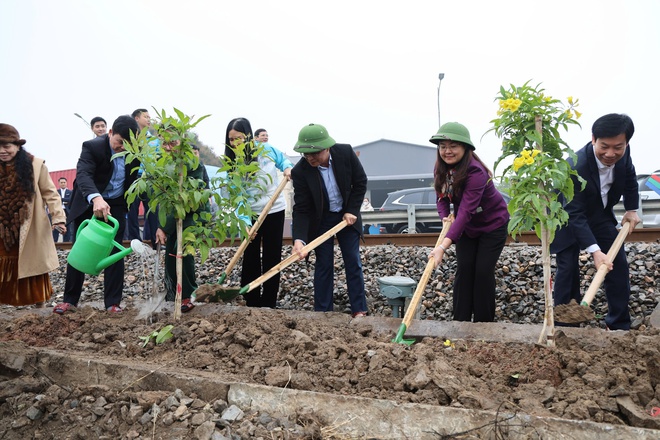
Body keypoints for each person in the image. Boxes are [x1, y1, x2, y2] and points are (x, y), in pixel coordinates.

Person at [551, 113, 640, 330]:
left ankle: (618, 325)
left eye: (617, 147)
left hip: (599, 214)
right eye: (604, 146)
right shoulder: (575, 164)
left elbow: (630, 180)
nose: (610, 153)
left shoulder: (623, 155)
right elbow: (574, 213)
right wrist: (594, 251)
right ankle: (565, 327)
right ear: (593, 139)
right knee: (568, 268)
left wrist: (631, 209)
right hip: (565, 216)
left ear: (625, 144)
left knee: (617, 264)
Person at [53, 115, 139, 314]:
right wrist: (96, 198)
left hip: (116, 204)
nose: (122, 148)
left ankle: (112, 304)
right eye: (119, 143)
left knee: (115, 252)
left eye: (128, 145)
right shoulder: (93, 147)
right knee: (80, 249)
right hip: (89, 202)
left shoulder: (136, 152)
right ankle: (70, 301)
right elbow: (83, 175)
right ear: (110, 133)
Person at [429, 122, 510, 322]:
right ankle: (460, 322)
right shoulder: (441, 168)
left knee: (483, 270)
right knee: (464, 269)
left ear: (466, 148)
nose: (447, 151)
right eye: (442, 147)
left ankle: (484, 324)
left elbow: (465, 211)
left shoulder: (476, 172)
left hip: (492, 224)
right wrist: (444, 218)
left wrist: (443, 246)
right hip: (468, 227)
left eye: (453, 146)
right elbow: (441, 198)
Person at [291, 123, 368, 317]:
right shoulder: (300, 171)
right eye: (306, 154)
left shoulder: (345, 153)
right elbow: (301, 208)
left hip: (346, 216)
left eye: (314, 153)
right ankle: (323, 311)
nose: (310, 158)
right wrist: (299, 239)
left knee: (352, 260)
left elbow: (360, 183)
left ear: (326, 148)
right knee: (323, 263)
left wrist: (351, 210)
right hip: (322, 219)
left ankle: (359, 309)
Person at [224, 118, 292, 308]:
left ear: (247, 136)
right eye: (231, 140)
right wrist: (245, 222)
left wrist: (287, 168)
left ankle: (269, 302)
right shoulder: (232, 162)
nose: (235, 143)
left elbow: (283, 160)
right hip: (250, 214)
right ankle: (251, 300)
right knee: (250, 257)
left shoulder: (266, 150)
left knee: (272, 256)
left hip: (274, 209)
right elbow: (237, 195)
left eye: (238, 139)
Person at [0, 124, 67, 307]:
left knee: (33, 265)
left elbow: (50, 194)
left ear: (17, 146)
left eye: (6, 146)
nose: (2, 151)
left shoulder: (35, 165)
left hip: (28, 226)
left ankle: (39, 304)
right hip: (2, 227)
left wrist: (58, 217)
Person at [155, 137, 210, 313]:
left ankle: (189, 294)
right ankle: (173, 295)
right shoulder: (161, 165)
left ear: (182, 144)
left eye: (173, 143)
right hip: (171, 217)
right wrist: (162, 225)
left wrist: (164, 227)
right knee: (171, 255)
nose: (168, 147)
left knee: (183, 252)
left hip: (192, 215)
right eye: (165, 143)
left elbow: (187, 201)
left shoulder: (193, 164)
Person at [126, 108, 159, 245]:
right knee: (132, 211)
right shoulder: (129, 138)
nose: (149, 119)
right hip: (133, 179)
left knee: (153, 211)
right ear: (137, 119)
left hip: (150, 179)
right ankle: (135, 242)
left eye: (149, 117)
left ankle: (156, 240)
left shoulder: (154, 140)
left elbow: (158, 158)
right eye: (146, 116)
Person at [52, 177, 73, 242]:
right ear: (59, 183)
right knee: (56, 228)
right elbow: (54, 200)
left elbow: (70, 200)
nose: (63, 184)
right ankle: (54, 242)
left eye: (64, 182)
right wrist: (64, 200)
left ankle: (66, 242)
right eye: (61, 182)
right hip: (58, 211)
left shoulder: (70, 192)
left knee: (67, 228)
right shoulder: (56, 192)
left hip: (67, 212)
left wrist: (60, 199)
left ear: (66, 183)